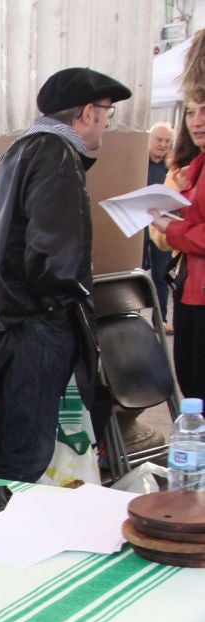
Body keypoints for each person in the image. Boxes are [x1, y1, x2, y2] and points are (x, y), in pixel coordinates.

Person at [0, 67, 131, 483]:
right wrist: (61, 309)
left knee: (23, 450)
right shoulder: (56, 154)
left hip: (21, 322)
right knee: (24, 459)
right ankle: (2, 524)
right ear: (87, 112)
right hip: (37, 326)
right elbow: (52, 259)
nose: (107, 122)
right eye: (107, 112)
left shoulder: (25, 150)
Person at [149, 86, 205, 401]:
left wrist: (173, 229)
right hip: (189, 288)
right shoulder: (191, 168)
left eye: (204, 111)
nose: (196, 121)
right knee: (190, 382)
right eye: (191, 112)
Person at [144, 123, 174, 328]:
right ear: (149, 140)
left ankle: (160, 320)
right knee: (133, 270)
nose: (163, 145)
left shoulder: (171, 168)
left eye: (167, 141)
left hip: (161, 226)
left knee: (161, 274)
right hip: (138, 225)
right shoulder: (137, 162)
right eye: (159, 140)